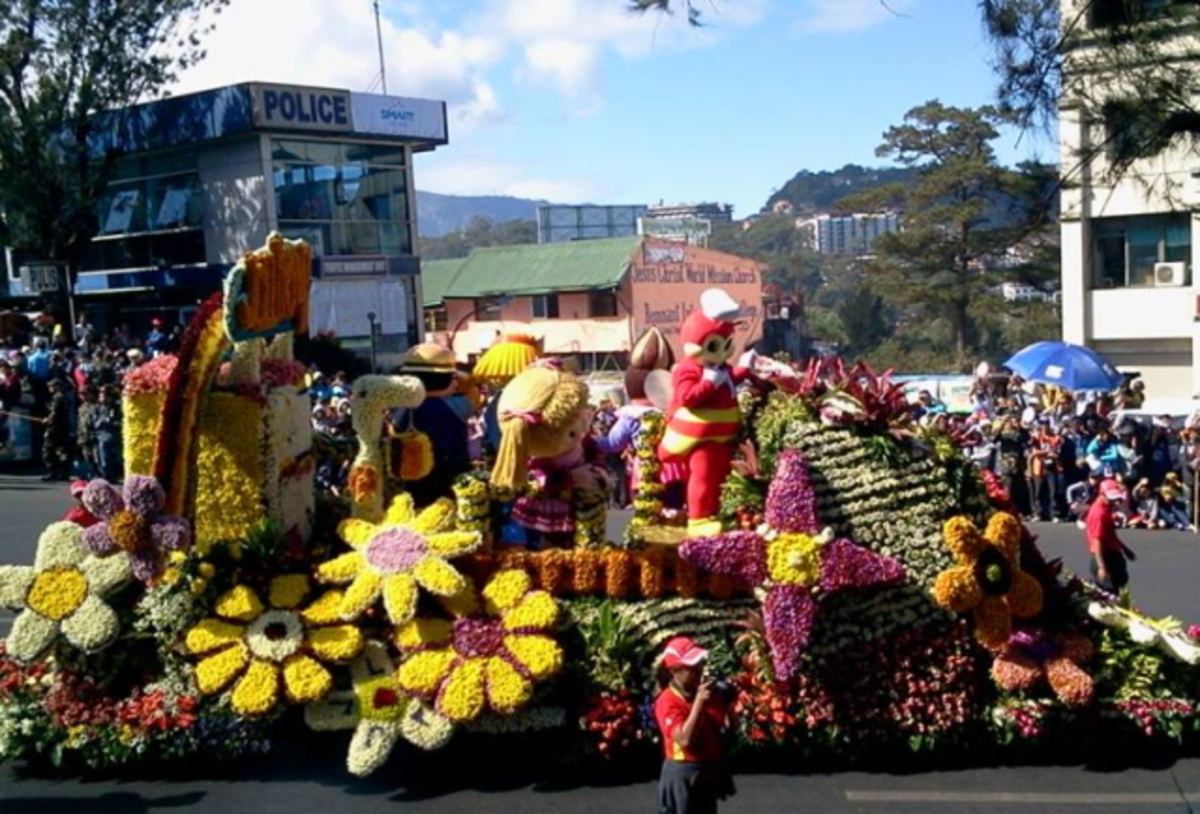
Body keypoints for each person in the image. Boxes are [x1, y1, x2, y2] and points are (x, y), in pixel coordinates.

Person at [654, 637, 736, 814]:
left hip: (706, 772)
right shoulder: (667, 700)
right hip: (682, 773)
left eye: (699, 663)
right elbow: (684, 740)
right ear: (675, 670)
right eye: (691, 666)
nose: (699, 670)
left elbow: (729, 730)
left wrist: (729, 703)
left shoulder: (707, 693)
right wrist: (699, 703)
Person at [1086, 479, 1135, 593]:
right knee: (1109, 594)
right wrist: (1102, 567)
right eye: (1111, 498)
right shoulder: (1099, 514)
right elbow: (1097, 541)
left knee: (1119, 586)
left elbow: (1109, 534)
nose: (1114, 501)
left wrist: (1124, 548)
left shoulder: (1106, 508)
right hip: (1104, 557)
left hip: (1112, 554)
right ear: (1102, 494)